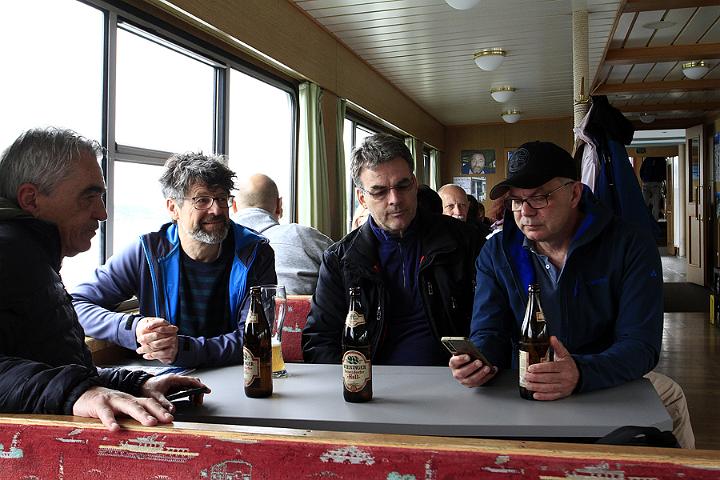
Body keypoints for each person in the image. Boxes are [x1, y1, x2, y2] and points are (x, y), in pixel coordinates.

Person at [448, 140, 694, 448]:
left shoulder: (629, 245)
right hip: (527, 385)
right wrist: (480, 362)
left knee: (671, 400)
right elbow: (489, 330)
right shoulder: (497, 253)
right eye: (516, 200)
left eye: (540, 197)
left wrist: (580, 371)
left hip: (608, 379)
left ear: (575, 193)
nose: (525, 212)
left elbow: (640, 345)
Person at [0, 127, 207, 431]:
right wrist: (78, 393)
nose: (102, 213)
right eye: (89, 197)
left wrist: (134, 383)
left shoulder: (31, 257)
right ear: (31, 199)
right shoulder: (8, 252)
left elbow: (53, 366)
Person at [72, 152, 276, 368]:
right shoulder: (147, 252)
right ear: (173, 208)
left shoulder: (255, 253)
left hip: (237, 374)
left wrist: (184, 349)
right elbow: (76, 304)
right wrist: (134, 328)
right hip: (163, 375)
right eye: (202, 200)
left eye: (222, 199)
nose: (216, 210)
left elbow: (255, 337)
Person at [303, 133, 483, 365]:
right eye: (379, 191)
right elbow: (319, 341)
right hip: (370, 381)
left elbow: (492, 323)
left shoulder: (465, 242)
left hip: (455, 377)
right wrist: (356, 381)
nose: (395, 199)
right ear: (362, 198)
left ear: (414, 184)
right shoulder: (340, 260)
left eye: (402, 185)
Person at [234, 173, 333, 295]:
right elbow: (345, 266)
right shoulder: (302, 236)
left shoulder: (221, 247)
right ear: (279, 205)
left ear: (234, 207)